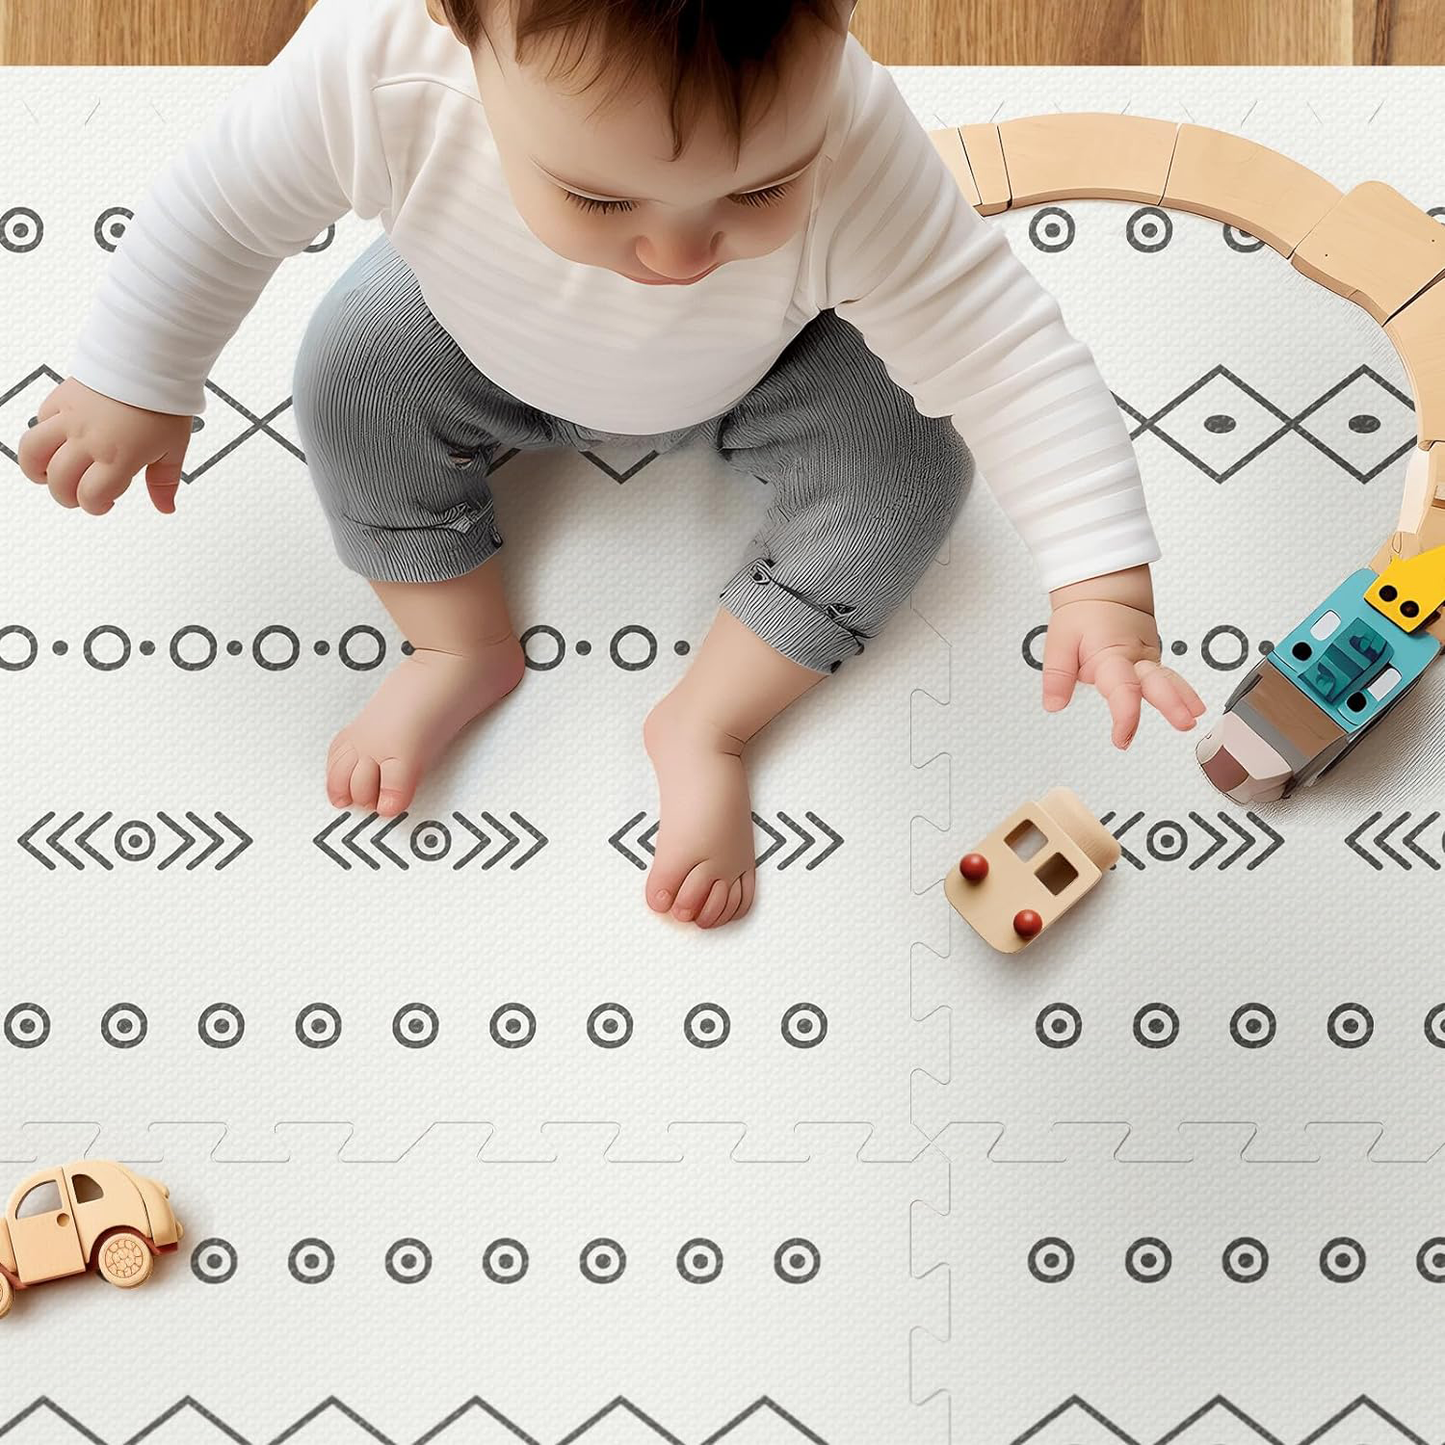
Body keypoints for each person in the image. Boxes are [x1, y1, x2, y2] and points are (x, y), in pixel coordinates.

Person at [17, 0, 1203, 929]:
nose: (677, 250)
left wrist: (1098, 575)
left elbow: (995, 341)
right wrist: (138, 374)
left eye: (758, 188)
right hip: (469, 340)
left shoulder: (856, 138)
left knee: (908, 464)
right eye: (596, 194)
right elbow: (223, 205)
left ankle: (706, 724)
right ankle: (454, 640)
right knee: (344, 366)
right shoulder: (378, 63)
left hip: (770, 363)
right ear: (459, 23)